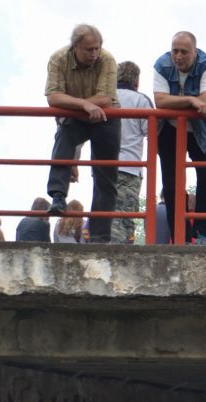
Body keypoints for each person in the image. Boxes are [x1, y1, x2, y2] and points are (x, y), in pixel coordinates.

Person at [44, 24, 120, 243]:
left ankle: (100, 235)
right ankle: (58, 196)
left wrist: (73, 104)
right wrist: (84, 105)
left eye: (97, 48)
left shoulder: (107, 59)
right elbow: (53, 97)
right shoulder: (59, 59)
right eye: (89, 49)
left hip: (105, 116)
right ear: (75, 46)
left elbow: (105, 98)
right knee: (64, 138)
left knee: (106, 174)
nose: (94, 54)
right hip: (77, 114)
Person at [154, 31, 206, 245]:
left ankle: (203, 234)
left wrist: (181, 101)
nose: (178, 56)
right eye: (175, 51)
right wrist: (192, 101)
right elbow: (160, 101)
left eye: (184, 52)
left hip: (202, 129)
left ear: (195, 52)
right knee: (171, 182)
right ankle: (180, 236)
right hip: (171, 127)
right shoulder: (162, 65)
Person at [113, 61, 152, 244]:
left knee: (105, 213)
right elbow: (152, 131)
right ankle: (120, 252)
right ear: (136, 81)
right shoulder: (141, 101)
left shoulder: (105, 98)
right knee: (124, 217)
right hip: (130, 166)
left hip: (102, 165)